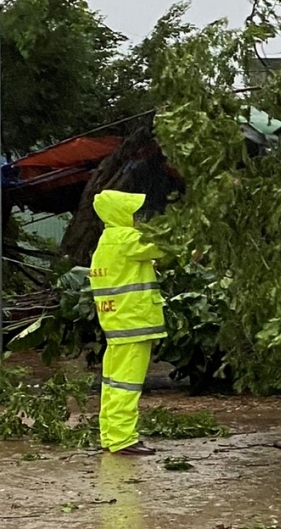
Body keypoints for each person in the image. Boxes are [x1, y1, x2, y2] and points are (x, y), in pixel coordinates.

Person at [88, 189, 167, 455]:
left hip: (116, 324)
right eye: (134, 213)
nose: (139, 218)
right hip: (133, 323)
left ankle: (111, 435)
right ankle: (124, 439)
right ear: (121, 213)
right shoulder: (127, 238)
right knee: (127, 383)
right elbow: (165, 245)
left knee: (113, 383)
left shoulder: (106, 241)